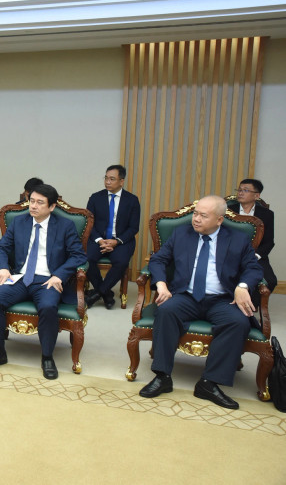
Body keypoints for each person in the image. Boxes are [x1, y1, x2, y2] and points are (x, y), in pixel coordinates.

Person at [139, 195, 263, 409]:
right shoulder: (181, 234)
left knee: (238, 322)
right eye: (195, 213)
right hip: (185, 296)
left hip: (221, 299)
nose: (196, 219)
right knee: (166, 311)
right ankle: (162, 376)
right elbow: (158, 260)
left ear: (219, 220)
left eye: (203, 216)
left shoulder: (237, 239)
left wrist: (242, 287)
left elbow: (254, 268)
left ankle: (209, 382)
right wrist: (161, 284)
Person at [0, 183, 87, 379]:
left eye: (40, 203)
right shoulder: (19, 222)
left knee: (47, 306)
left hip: (48, 280)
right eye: (31, 201)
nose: (33, 206)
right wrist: (3, 268)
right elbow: (0, 248)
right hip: (20, 277)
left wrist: (59, 275)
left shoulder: (64, 226)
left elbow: (78, 256)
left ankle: (47, 356)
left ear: (52, 207)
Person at [85, 165, 140, 309]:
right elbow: (89, 224)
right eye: (106, 178)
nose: (107, 182)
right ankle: (106, 294)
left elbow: (134, 227)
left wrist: (116, 241)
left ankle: (98, 292)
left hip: (121, 241)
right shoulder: (95, 198)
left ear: (121, 181)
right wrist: (100, 240)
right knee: (87, 258)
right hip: (99, 239)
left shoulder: (132, 200)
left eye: (112, 179)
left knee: (121, 262)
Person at [228, 179, 276, 298]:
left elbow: (269, 242)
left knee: (270, 280)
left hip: (256, 256)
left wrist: (254, 256)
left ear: (257, 195)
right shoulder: (227, 211)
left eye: (245, 190)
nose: (240, 193)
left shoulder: (267, 214)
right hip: (229, 254)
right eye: (239, 190)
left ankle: (250, 306)